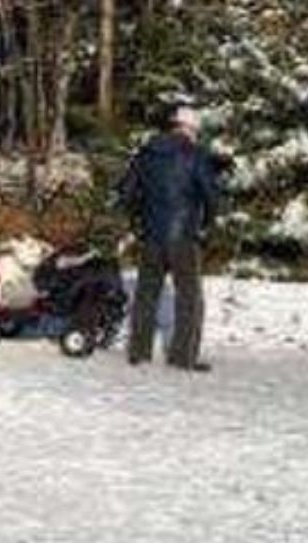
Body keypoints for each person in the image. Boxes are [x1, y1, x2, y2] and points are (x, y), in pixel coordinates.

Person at [118, 105, 219, 372]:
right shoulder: (196, 155)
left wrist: (137, 223)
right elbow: (211, 195)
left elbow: (126, 193)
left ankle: (139, 354)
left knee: (146, 294)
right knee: (189, 297)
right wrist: (206, 225)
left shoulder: (146, 153)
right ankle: (182, 358)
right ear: (189, 129)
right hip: (184, 237)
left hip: (152, 236)